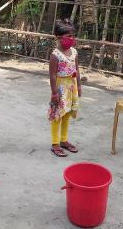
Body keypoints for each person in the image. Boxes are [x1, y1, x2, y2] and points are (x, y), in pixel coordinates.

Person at [48, 19, 82, 157]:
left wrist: (78, 85)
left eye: (73, 35)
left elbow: (77, 69)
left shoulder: (74, 52)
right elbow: (52, 76)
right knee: (58, 115)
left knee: (67, 113)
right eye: (69, 36)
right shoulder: (55, 55)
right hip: (60, 88)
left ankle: (64, 140)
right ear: (58, 37)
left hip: (71, 86)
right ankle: (55, 143)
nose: (72, 39)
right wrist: (54, 93)